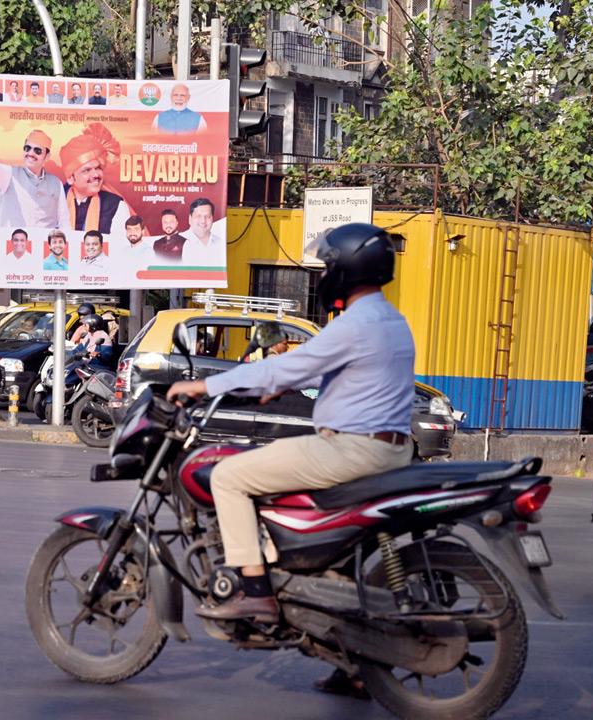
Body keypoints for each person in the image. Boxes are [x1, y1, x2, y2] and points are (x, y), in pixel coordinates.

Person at [167, 223, 413, 624]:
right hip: (388, 448)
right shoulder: (389, 319)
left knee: (228, 477)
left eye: (327, 265)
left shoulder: (355, 324)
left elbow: (287, 365)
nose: (322, 274)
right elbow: (343, 372)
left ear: (349, 268)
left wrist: (204, 385)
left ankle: (256, 591)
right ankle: (350, 657)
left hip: (351, 450)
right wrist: (282, 384)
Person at [0, 106, 68, 228]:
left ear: (47, 156)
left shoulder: (55, 183)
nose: (31, 153)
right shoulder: (9, 175)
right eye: (27, 148)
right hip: (12, 244)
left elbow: (64, 221)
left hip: (43, 245)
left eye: (37, 150)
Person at [61, 123, 131, 234]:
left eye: (98, 168)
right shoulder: (54, 202)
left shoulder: (116, 206)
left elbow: (120, 249)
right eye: (87, 170)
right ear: (70, 178)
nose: (95, 175)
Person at [180, 198, 224, 266]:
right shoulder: (178, 242)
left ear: (212, 218)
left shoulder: (220, 243)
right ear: (190, 219)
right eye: (198, 216)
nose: (203, 221)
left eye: (207, 216)